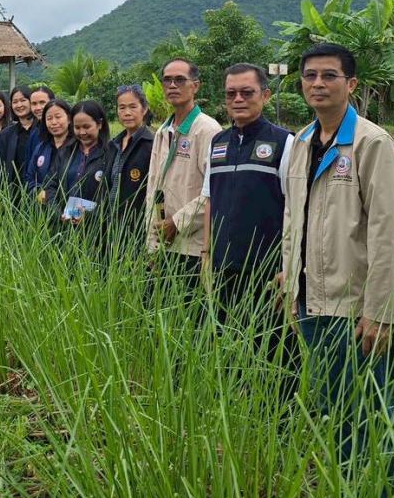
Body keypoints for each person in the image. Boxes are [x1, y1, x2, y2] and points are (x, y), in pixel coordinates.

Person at [278, 42, 394, 465]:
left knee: (373, 414)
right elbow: (294, 218)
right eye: (310, 76)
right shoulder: (300, 142)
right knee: (337, 410)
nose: (318, 84)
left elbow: (387, 231)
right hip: (311, 301)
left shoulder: (373, 143)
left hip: (355, 310)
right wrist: (288, 280)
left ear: (350, 84)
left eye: (329, 75)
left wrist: (381, 311)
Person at [202, 64, 293, 315]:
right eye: (231, 93)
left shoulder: (284, 141)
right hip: (222, 269)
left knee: (274, 350)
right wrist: (206, 254)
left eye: (247, 92)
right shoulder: (217, 143)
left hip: (268, 273)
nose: (238, 99)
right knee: (227, 347)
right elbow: (210, 199)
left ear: (265, 95)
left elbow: (296, 208)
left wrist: (290, 267)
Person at [145, 59, 223, 288]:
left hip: (191, 246)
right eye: (167, 80)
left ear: (195, 86)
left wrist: (177, 223)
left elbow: (214, 191)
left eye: (180, 80)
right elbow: (152, 188)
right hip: (161, 242)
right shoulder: (162, 130)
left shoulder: (207, 129)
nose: (172, 85)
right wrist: (152, 239)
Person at [54, 101, 114, 235]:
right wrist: (57, 212)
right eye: (77, 127)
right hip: (64, 228)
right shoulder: (66, 151)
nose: (82, 132)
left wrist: (89, 216)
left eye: (87, 126)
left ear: (99, 124)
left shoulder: (112, 153)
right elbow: (51, 184)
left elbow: (113, 195)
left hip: (97, 232)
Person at [107, 84, 154, 250]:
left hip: (138, 230)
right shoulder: (113, 144)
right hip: (111, 226)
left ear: (144, 109)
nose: (127, 113)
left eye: (133, 107)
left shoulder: (152, 143)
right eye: (122, 108)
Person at [31, 97, 75, 204]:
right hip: (42, 207)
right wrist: (37, 191)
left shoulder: (77, 147)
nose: (54, 122)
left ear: (69, 119)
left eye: (58, 117)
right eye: (49, 118)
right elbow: (29, 177)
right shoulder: (41, 147)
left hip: (69, 208)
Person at [0, 85, 37, 189]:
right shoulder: (6, 134)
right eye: (15, 102)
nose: (19, 105)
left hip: (39, 191)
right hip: (14, 192)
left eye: (23, 100)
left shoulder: (43, 131)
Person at [23, 85, 57, 188]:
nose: (38, 108)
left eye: (42, 102)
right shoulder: (34, 133)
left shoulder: (64, 132)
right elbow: (29, 172)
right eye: (34, 104)